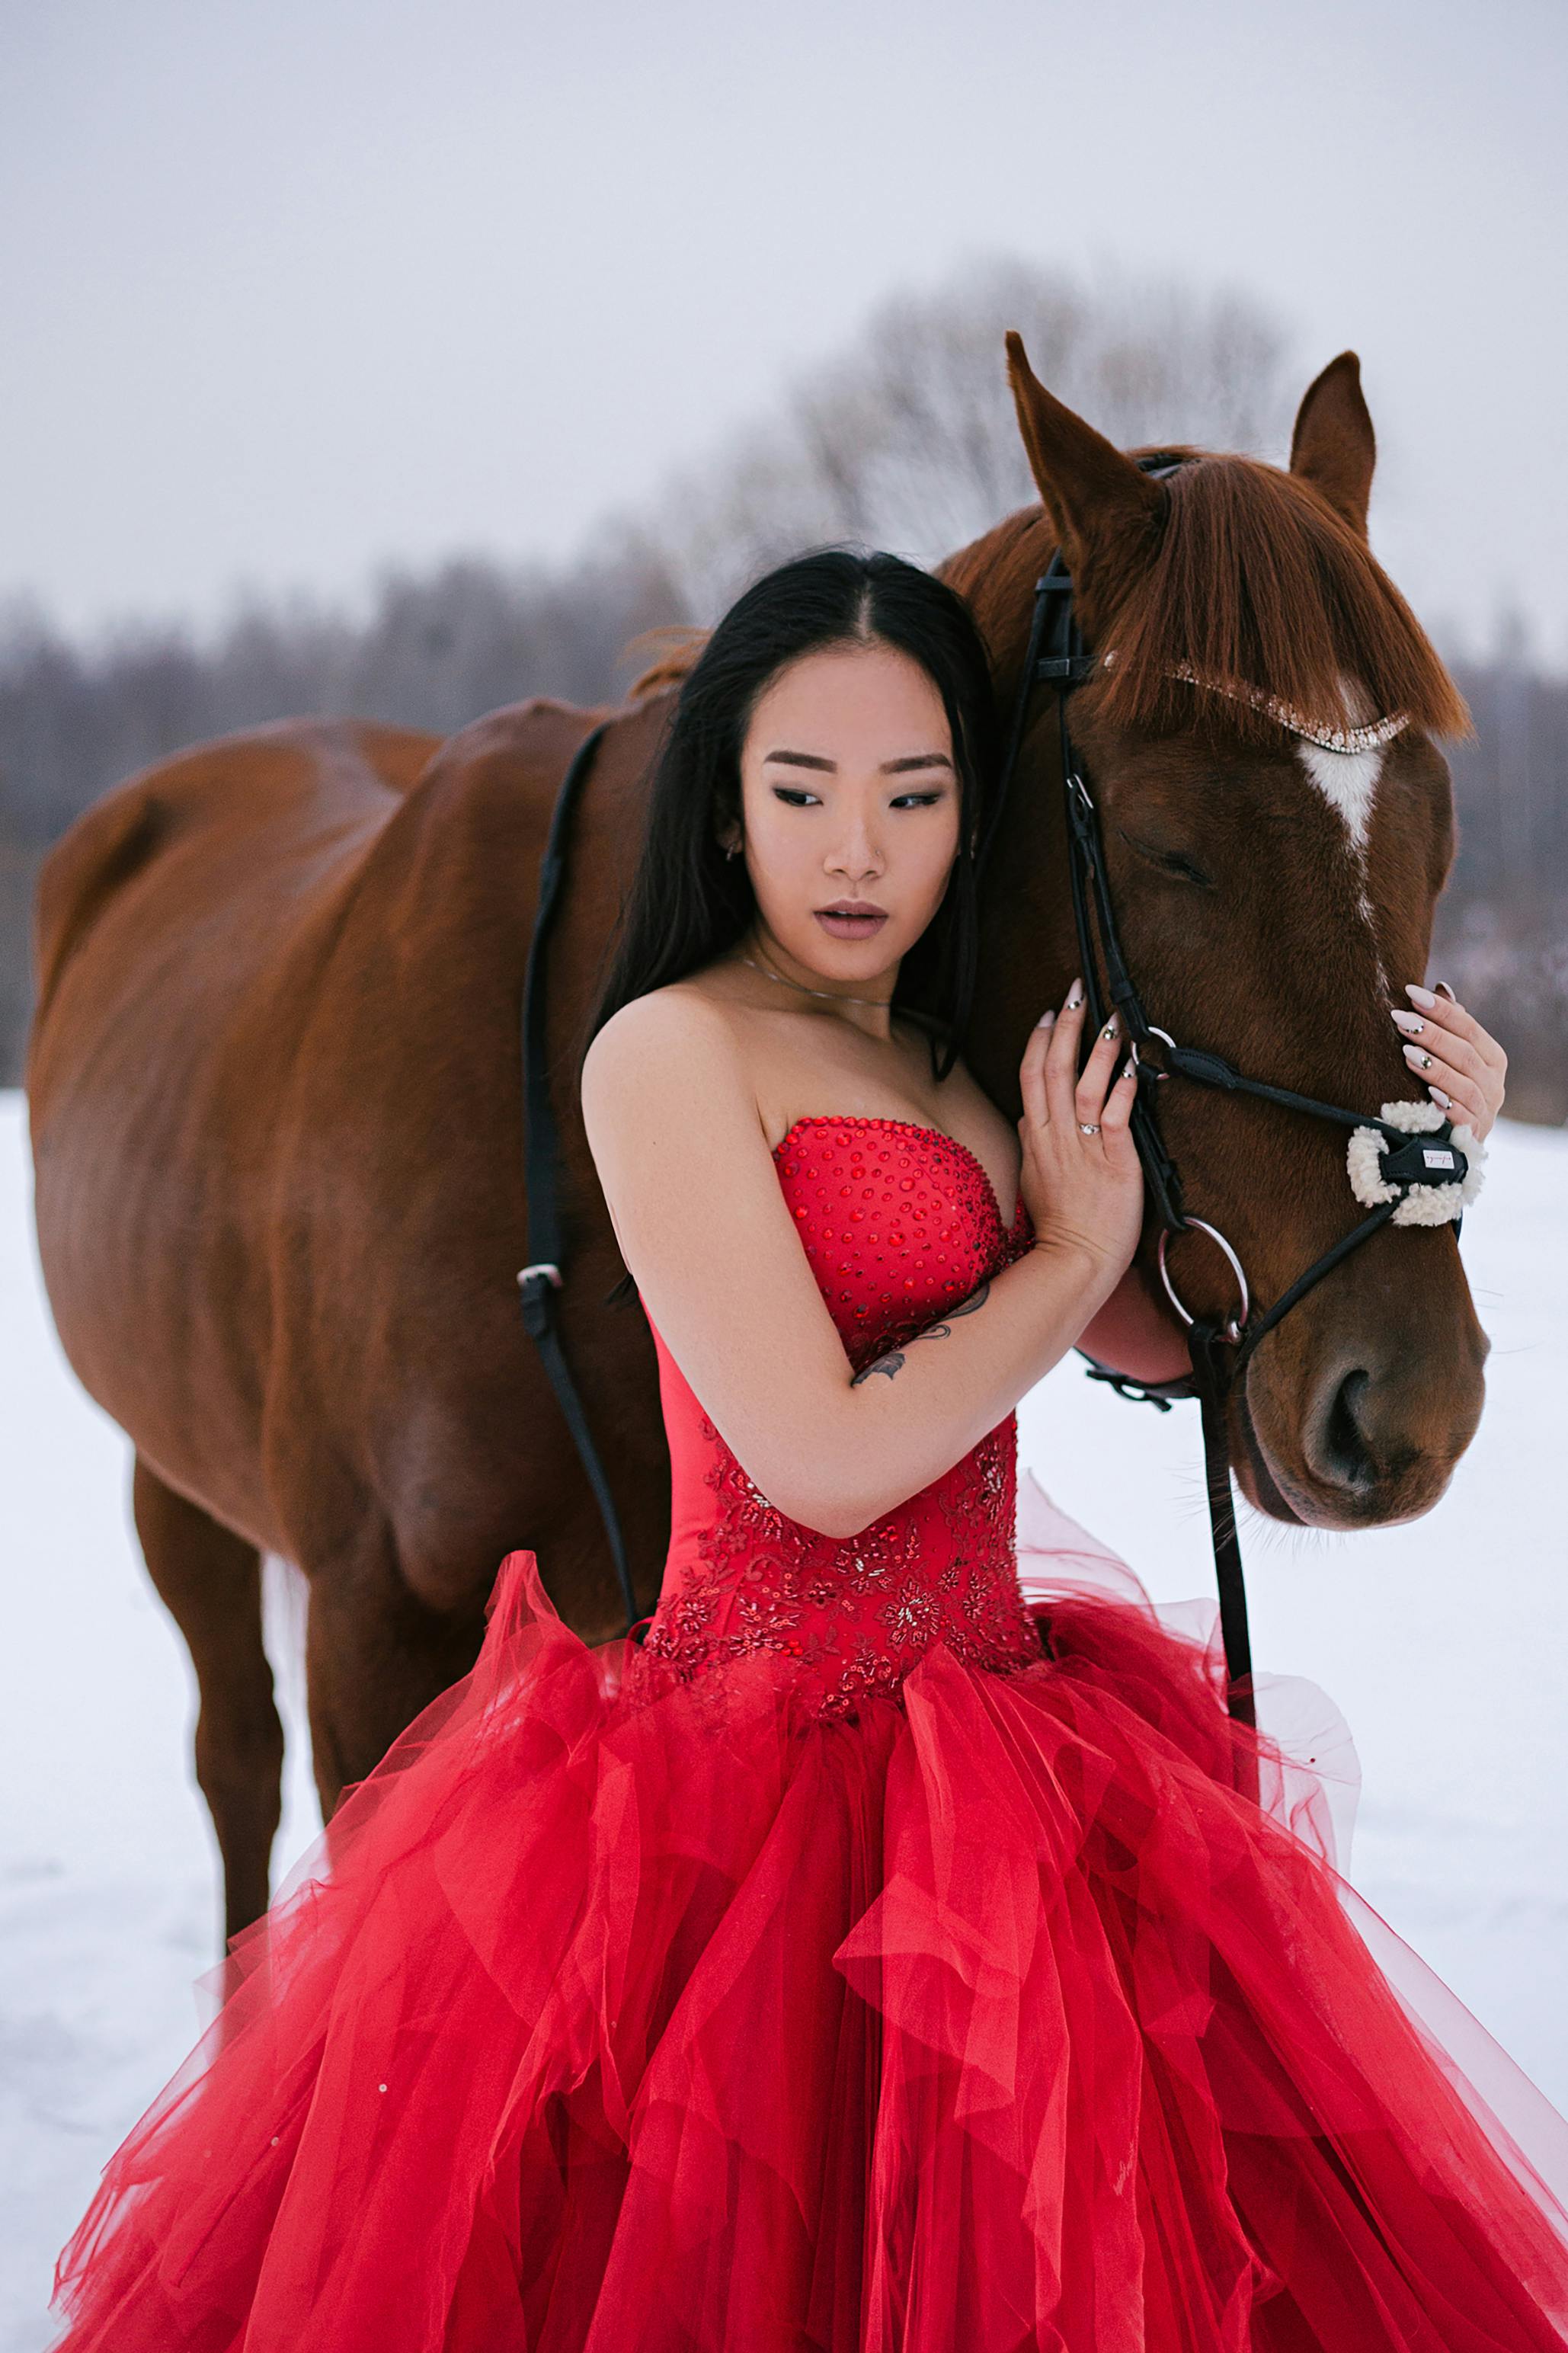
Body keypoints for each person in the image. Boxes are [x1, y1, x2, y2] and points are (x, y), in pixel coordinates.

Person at [47, 549, 1559, 2353]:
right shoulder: (671, 1053)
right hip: (755, 1782)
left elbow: (1167, 1341)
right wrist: (1068, 1248)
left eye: (916, 798)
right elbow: (824, 1460)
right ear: (725, 806)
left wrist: (1419, 1160)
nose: (861, 851)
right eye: (803, 792)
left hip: (1000, 1746)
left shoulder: (952, 1060)